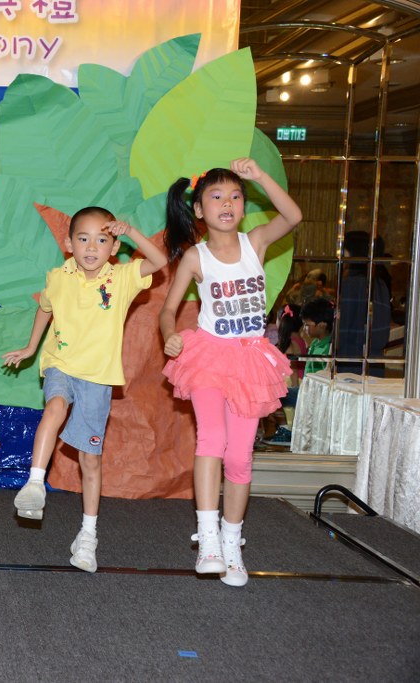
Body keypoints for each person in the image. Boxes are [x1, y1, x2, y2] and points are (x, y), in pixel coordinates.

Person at [159, 158, 301, 587]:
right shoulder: (195, 257)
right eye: (217, 197)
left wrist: (260, 177)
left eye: (236, 196)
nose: (227, 203)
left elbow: (293, 216)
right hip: (208, 357)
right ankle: (208, 540)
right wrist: (170, 335)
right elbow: (168, 309)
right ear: (199, 210)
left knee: (239, 456)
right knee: (212, 439)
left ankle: (232, 540)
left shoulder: (255, 242)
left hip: (248, 361)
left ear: (243, 206)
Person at [0, 208, 167, 572]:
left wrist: (132, 231)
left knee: (90, 459)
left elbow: (159, 261)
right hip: (60, 363)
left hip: (97, 377)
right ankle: (35, 484)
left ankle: (88, 535)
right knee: (55, 407)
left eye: (102, 239)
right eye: (83, 239)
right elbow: (45, 309)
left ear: (114, 247)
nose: (92, 247)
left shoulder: (122, 277)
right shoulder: (58, 277)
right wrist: (31, 347)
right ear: (68, 243)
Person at [337, 231, 391, 375]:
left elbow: (344, 328)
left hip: (351, 360)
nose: (342, 255)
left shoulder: (351, 284)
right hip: (374, 359)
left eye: (345, 250)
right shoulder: (379, 284)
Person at [261, 304, 307, 446]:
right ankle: (283, 428)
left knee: (268, 395)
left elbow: (293, 369)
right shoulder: (301, 340)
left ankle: (286, 429)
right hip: (295, 380)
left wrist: (294, 387)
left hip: (292, 381)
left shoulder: (290, 343)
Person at [300, 297, 335, 375]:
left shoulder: (328, 348)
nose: (304, 328)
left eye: (307, 325)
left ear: (322, 325)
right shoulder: (315, 342)